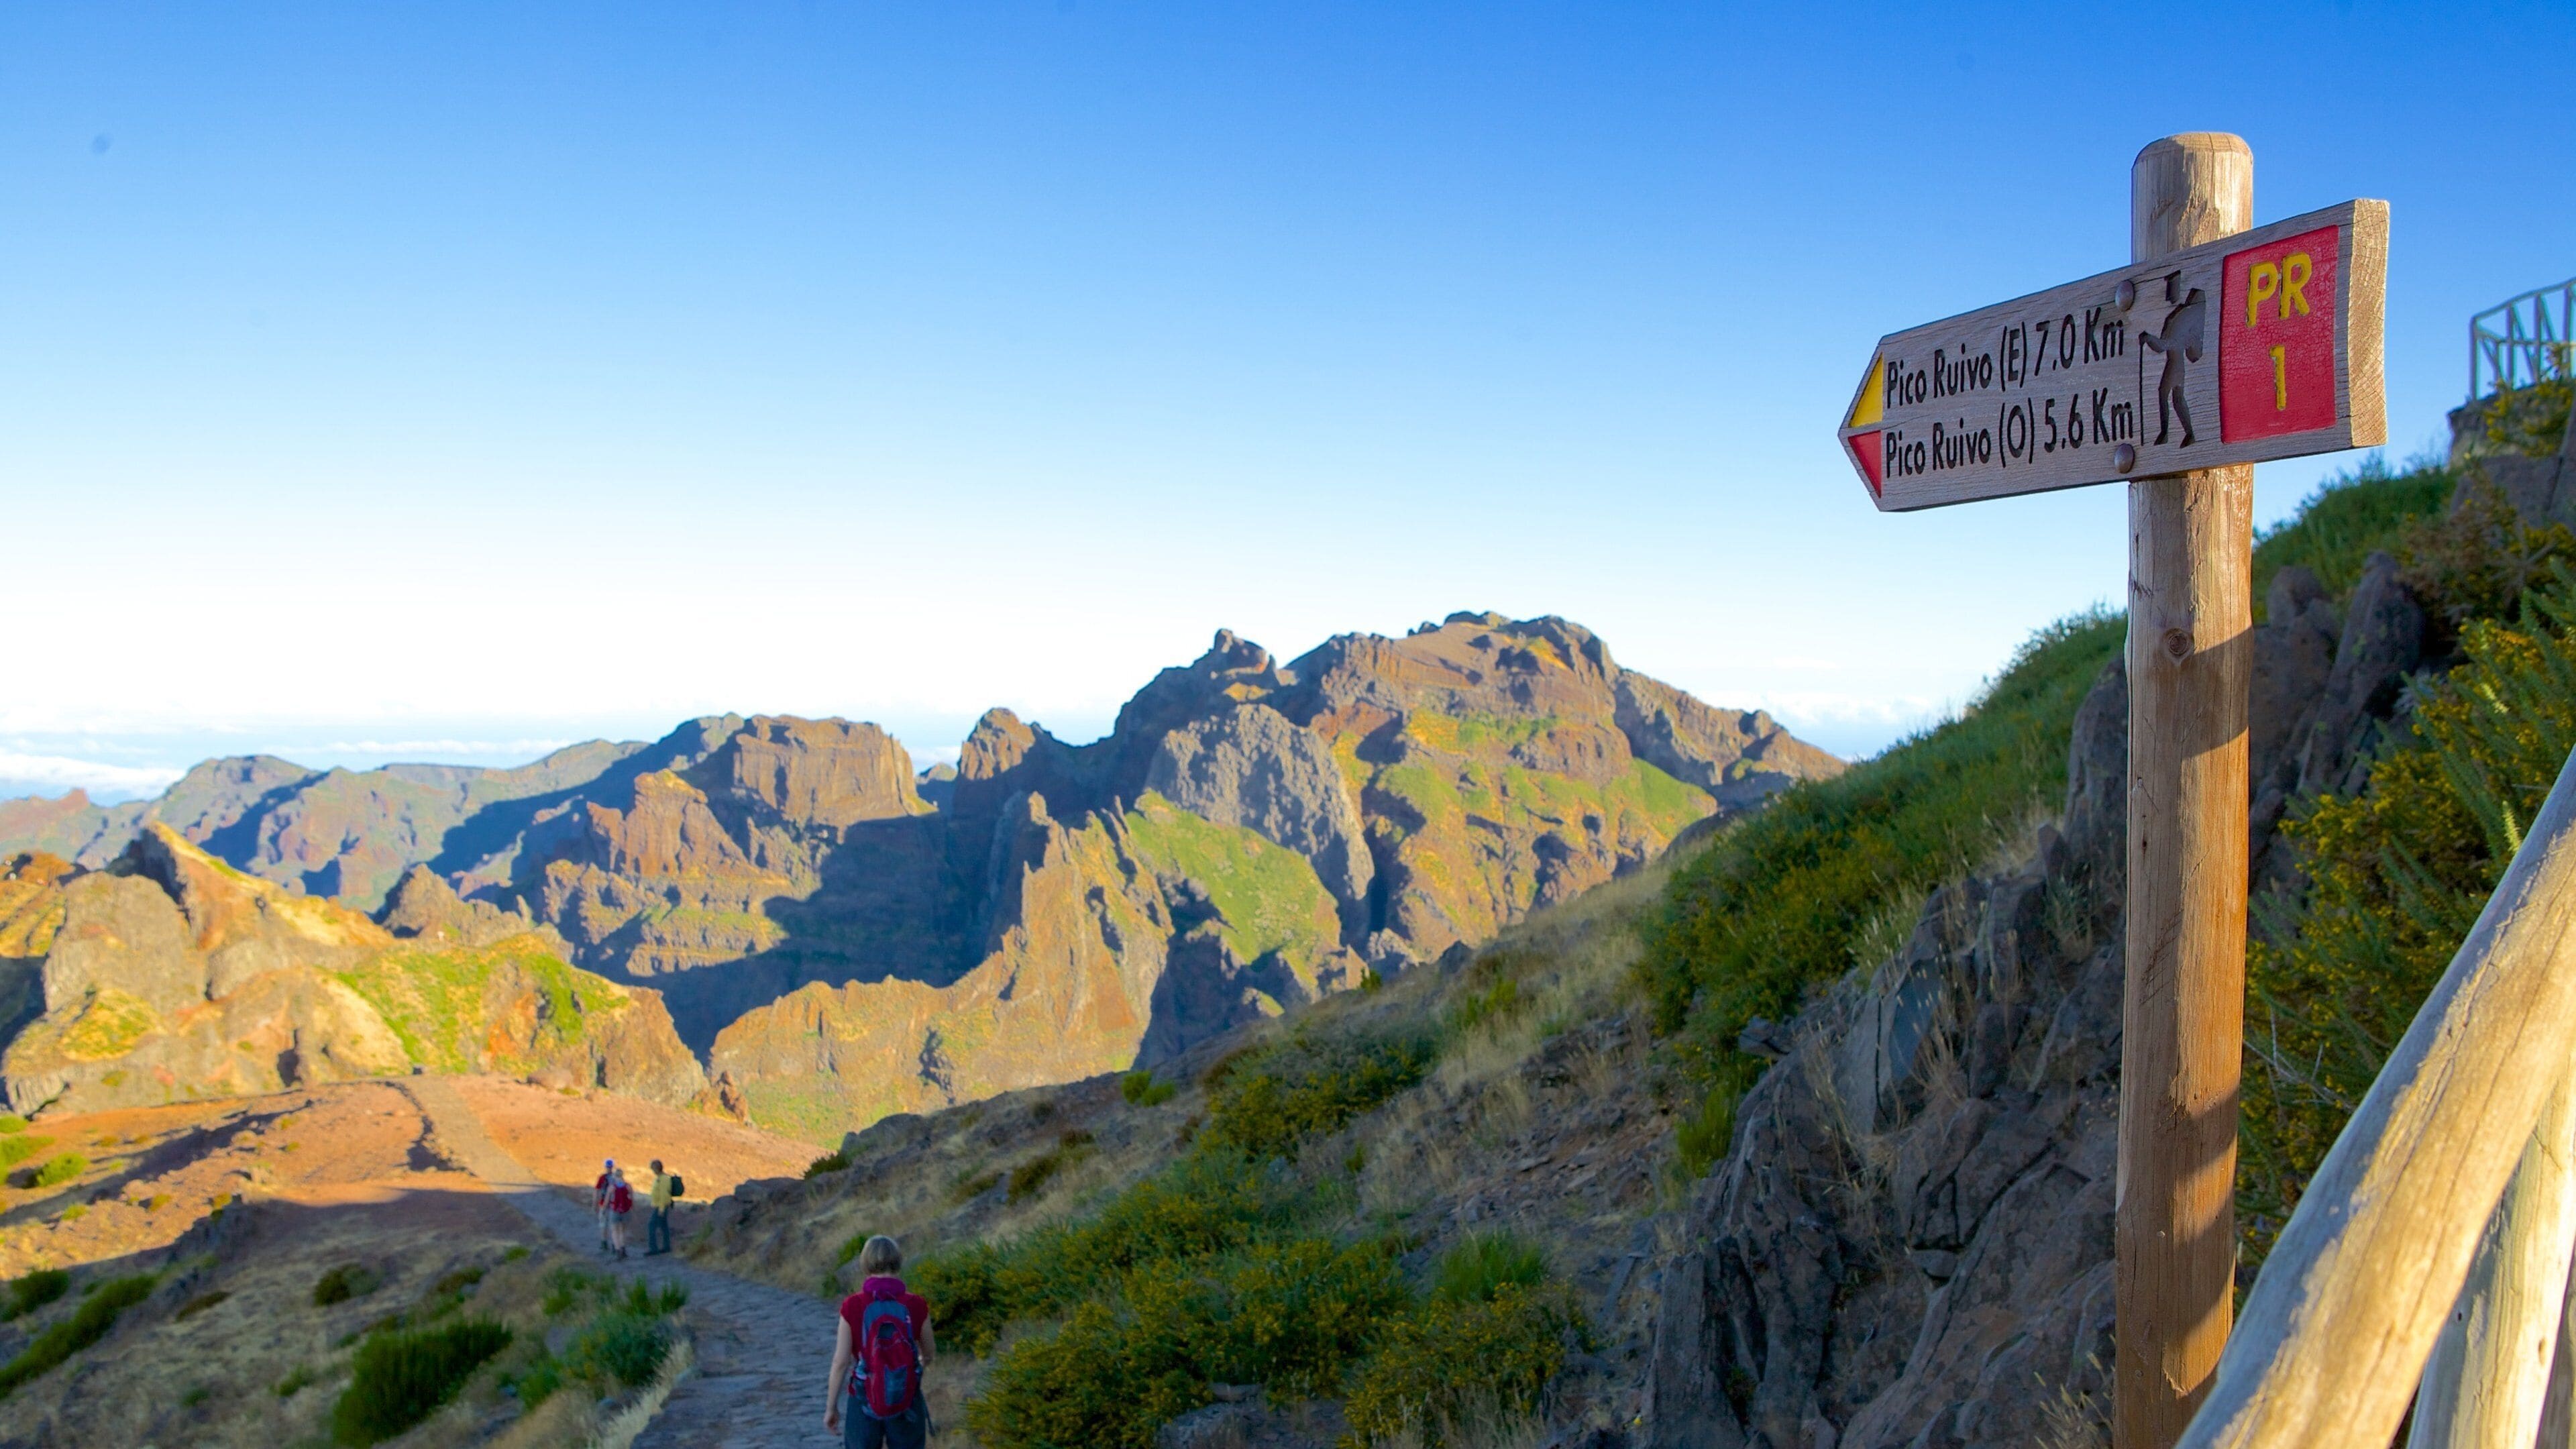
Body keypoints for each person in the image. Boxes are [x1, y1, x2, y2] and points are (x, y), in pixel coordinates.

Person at [824, 1236, 933, 1449]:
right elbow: (928, 1353)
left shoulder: (853, 1305)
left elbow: (840, 1362)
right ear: (898, 1262)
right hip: (906, 1396)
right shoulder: (916, 1304)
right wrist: (908, 1371)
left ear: (865, 1264)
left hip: (864, 1397)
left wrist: (831, 1407)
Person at [606, 1165, 635, 1260]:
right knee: (623, 1231)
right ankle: (623, 1249)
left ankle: (618, 1250)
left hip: (615, 1211)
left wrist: (603, 1209)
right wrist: (632, 1209)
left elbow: (607, 1200)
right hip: (626, 1211)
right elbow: (632, 1199)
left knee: (615, 1231)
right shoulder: (628, 1186)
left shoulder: (612, 1187)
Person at [646, 1159, 675, 1256]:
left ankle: (654, 1248)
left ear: (657, 1169)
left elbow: (664, 1194)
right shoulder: (659, 1178)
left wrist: (662, 1209)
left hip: (661, 1207)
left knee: (651, 1226)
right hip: (659, 1206)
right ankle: (666, 1247)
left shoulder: (664, 1179)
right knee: (664, 1226)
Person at [593, 1159, 617, 1250]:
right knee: (614, 1225)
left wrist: (595, 1203)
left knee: (603, 1224)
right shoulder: (616, 1178)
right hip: (614, 1205)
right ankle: (615, 1245)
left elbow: (597, 1191)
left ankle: (604, 1243)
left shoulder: (602, 1178)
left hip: (603, 1204)